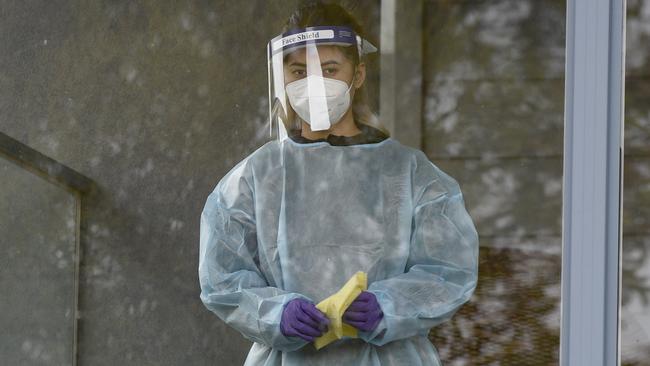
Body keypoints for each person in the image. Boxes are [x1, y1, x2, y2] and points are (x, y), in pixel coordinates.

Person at [198, 2, 479, 365]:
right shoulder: (256, 177)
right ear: (282, 79)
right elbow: (222, 279)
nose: (313, 84)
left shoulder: (409, 173)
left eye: (330, 69)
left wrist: (389, 306)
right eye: (299, 71)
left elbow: (449, 270)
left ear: (357, 75)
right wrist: (273, 313)